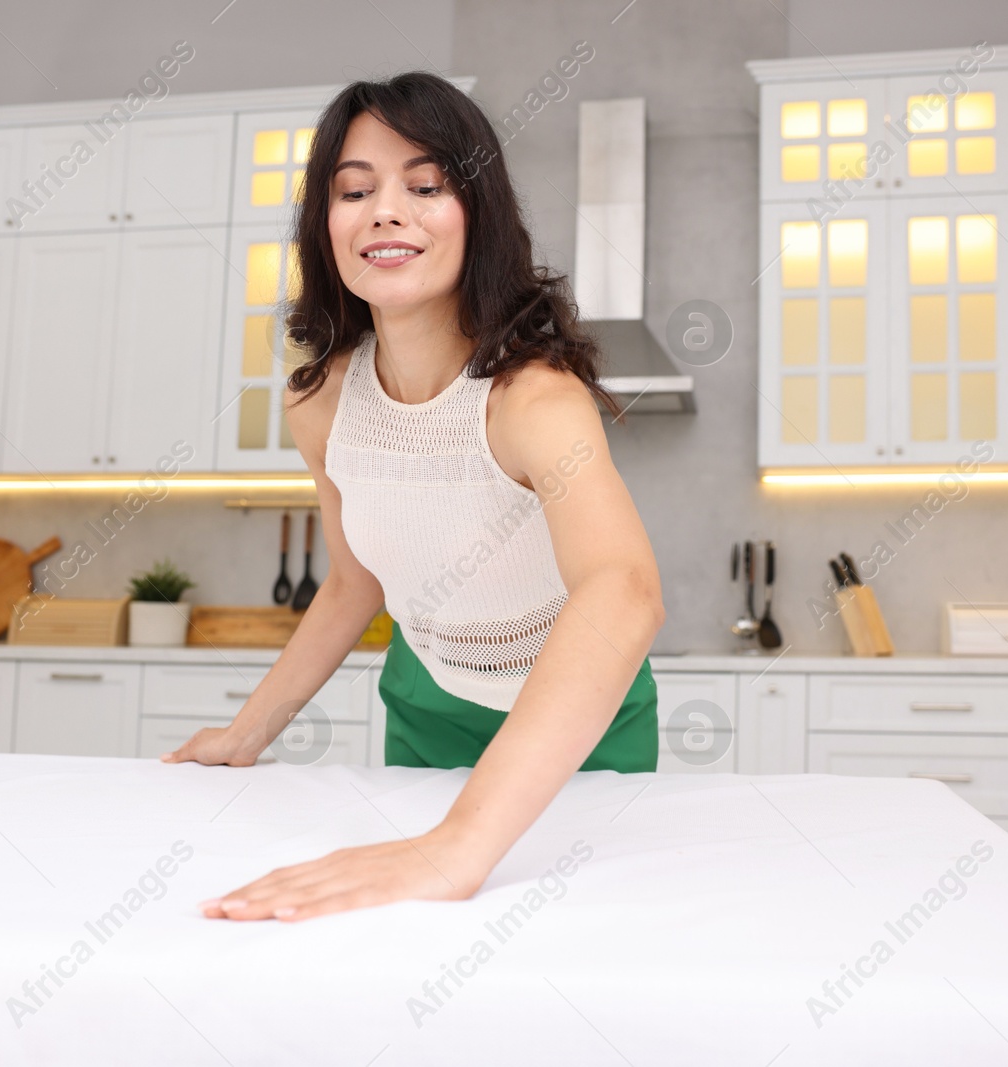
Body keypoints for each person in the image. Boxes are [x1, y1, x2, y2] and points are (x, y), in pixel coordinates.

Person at [162, 70, 665, 923]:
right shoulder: (318, 399)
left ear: (479, 214)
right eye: (355, 190)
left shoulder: (533, 400)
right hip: (424, 705)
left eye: (425, 185)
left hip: (577, 730)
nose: (385, 210)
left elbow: (624, 590)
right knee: (396, 943)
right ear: (327, 227)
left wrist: (456, 845)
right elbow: (356, 582)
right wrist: (245, 735)